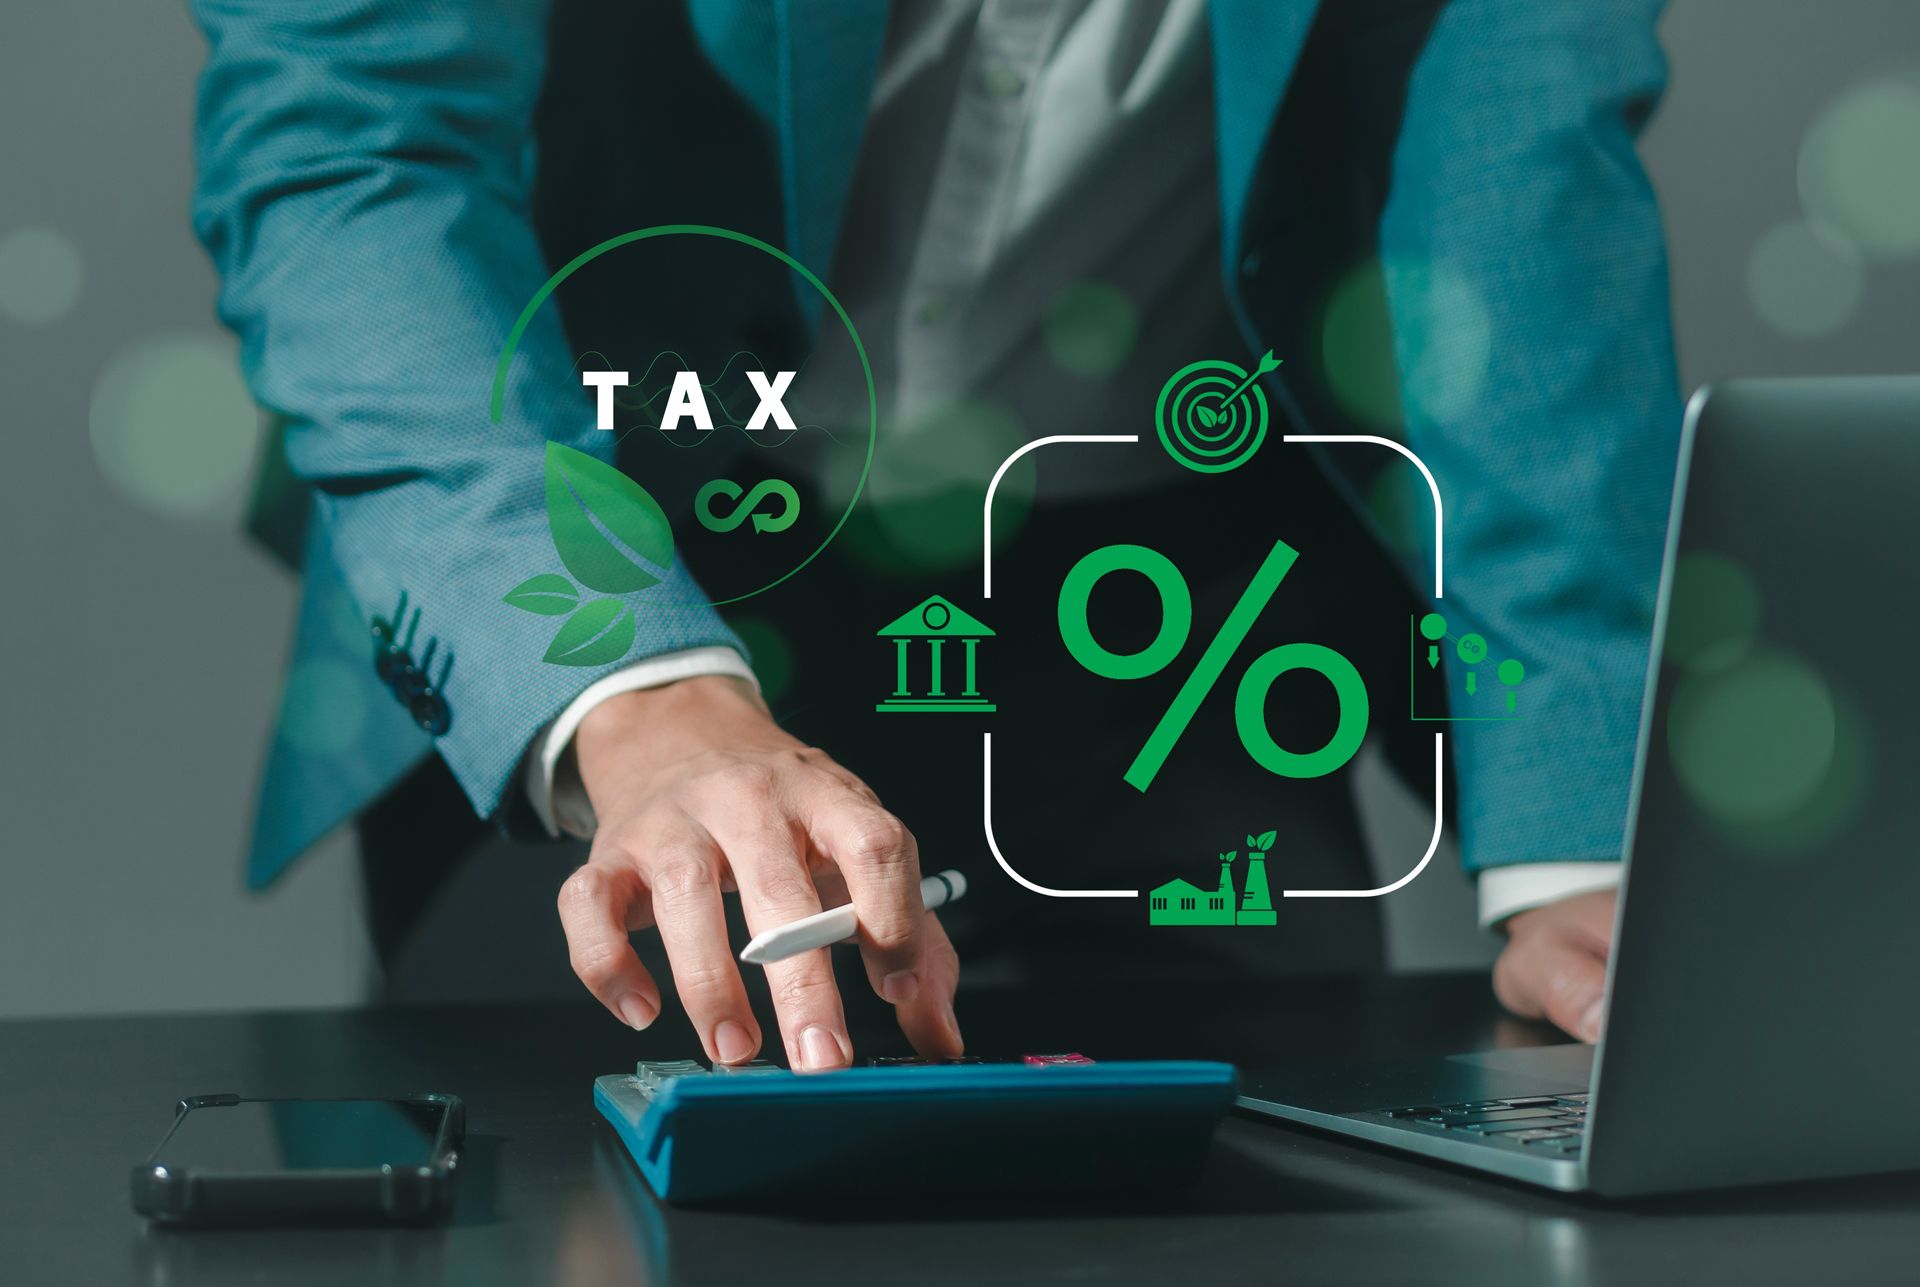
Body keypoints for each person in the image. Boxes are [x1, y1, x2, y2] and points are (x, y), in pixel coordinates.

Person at [189, 0, 1679, 1070]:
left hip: (1166, 619)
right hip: (622, 559)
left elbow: (1517, 160)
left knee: (1255, 1203)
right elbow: (355, 153)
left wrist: (1577, 827)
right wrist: (627, 686)